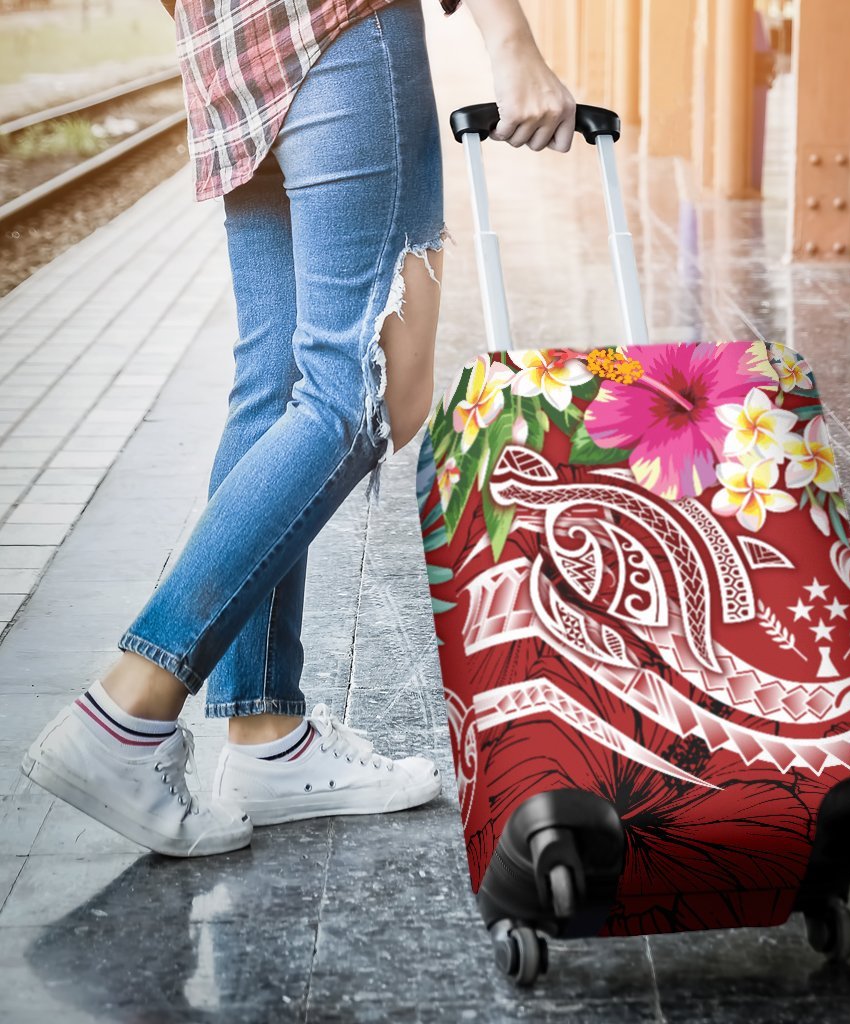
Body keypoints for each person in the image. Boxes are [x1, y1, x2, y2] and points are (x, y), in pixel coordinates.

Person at [21, 0, 576, 857]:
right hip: (342, 28)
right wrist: (511, 42)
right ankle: (128, 708)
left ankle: (266, 735)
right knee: (361, 392)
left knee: (277, 385)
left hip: (227, 49)